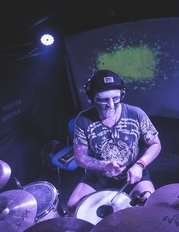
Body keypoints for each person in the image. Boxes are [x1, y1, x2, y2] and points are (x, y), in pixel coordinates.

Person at [67, 69, 162, 213]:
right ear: (91, 98)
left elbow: (155, 144)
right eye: (103, 100)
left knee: (149, 207)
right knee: (73, 207)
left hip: (133, 172)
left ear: (122, 94)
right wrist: (104, 165)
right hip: (100, 175)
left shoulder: (136, 114)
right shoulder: (83, 119)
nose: (110, 104)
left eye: (115, 98)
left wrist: (140, 165)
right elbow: (80, 158)